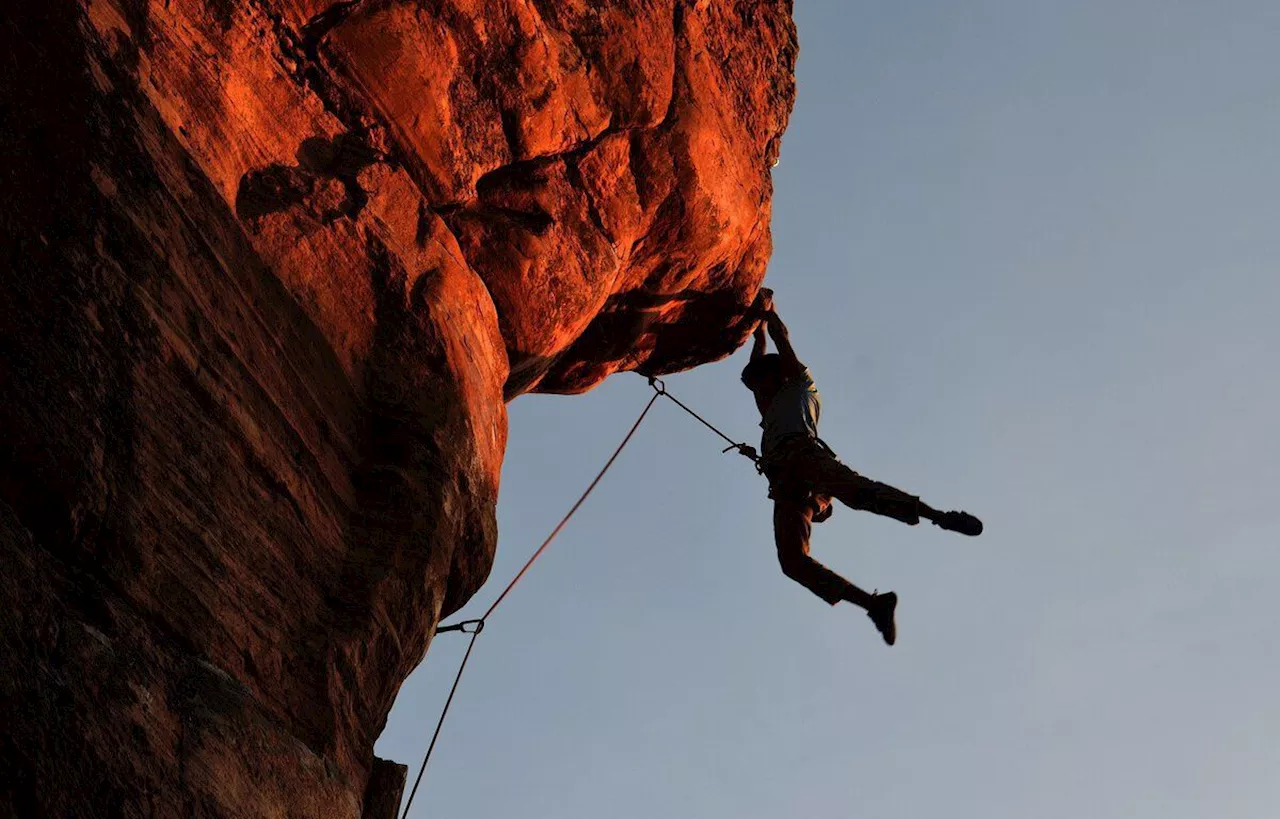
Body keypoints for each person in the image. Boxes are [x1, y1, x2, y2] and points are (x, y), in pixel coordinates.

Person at [740, 289, 983, 645]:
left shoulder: (800, 386)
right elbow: (760, 355)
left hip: (806, 458)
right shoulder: (771, 405)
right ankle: (873, 604)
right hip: (788, 484)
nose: (757, 394)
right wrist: (756, 330)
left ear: (776, 377)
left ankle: (938, 515)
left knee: (857, 493)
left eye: (761, 385)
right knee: (792, 562)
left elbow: (781, 340)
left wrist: (769, 312)